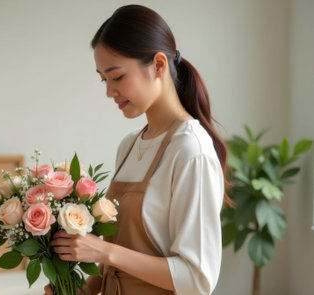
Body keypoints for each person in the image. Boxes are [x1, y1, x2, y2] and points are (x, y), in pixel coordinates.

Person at [45, 4, 229, 295]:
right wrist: (82, 290)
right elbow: (115, 254)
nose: (109, 92)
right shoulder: (129, 145)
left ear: (158, 65)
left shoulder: (191, 151)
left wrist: (103, 252)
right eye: (104, 80)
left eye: (117, 77)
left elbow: (197, 279)